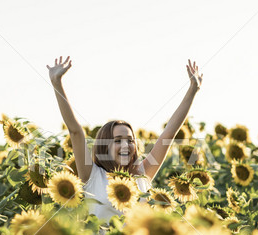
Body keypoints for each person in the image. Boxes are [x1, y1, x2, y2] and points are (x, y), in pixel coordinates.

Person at [47, 56, 203, 221]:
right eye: (118, 140)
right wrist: (57, 83)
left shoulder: (142, 176)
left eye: (130, 140)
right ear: (104, 146)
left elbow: (168, 134)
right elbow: (75, 132)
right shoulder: (93, 176)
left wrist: (193, 89)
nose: (125, 145)